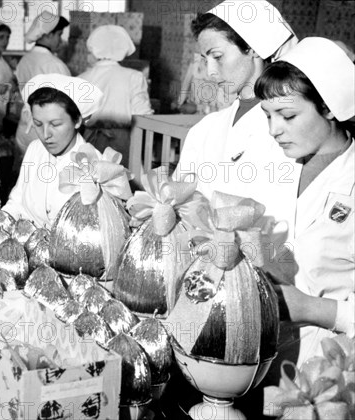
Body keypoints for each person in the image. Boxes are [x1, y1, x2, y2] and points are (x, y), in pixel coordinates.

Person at [254, 37, 355, 364]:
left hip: (327, 368)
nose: (274, 130)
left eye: (287, 115)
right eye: (268, 116)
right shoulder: (271, 164)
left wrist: (315, 309)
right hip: (258, 353)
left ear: (328, 107)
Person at [174, 0, 300, 256]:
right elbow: (180, 196)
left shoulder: (289, 131)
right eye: (204, 59)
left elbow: (283, 224)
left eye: (217, 57)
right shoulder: (206, 127)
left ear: (253, 49)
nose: (210, 71)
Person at [2, 74, 103, 227]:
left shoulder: (95, 163)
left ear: (77, 121)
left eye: (55, 124)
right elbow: (17, 202)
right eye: (38, 124)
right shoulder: (35, 149)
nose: (45, 134)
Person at [79, 25, 153, 168]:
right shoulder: (134, 76)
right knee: (122, 183)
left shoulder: (82, 78)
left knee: (89, 182)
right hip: (122, 141)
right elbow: (143, 116)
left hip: (88, 140)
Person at [14, 11, 71, 159]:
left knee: (26, 176)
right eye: (59, 35)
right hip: (47, 131)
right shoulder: (55, 64)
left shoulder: (25, 60)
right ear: (47, 35)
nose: (60, 40)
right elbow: (68, 102)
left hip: (25, 127)